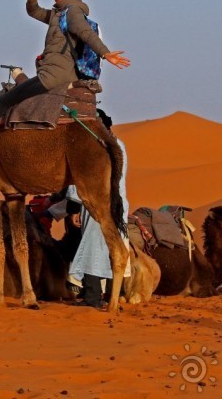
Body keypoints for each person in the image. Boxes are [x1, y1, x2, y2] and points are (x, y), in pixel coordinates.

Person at [0, 0, 130, 157]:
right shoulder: (58, 14)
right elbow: (34, 11)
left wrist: (105, 53)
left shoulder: (72, 12)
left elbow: (84, 32)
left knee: (4, 101)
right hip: (54, 72)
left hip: (54, 75)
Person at [50, 109, 131, 309]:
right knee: (114, 246)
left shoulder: (95, 146)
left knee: (92, 248)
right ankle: (113, 295)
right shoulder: (118, 145)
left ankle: (93, 297)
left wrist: (73, 207)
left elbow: (80, 180)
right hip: (118, 204)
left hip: (96, 203)